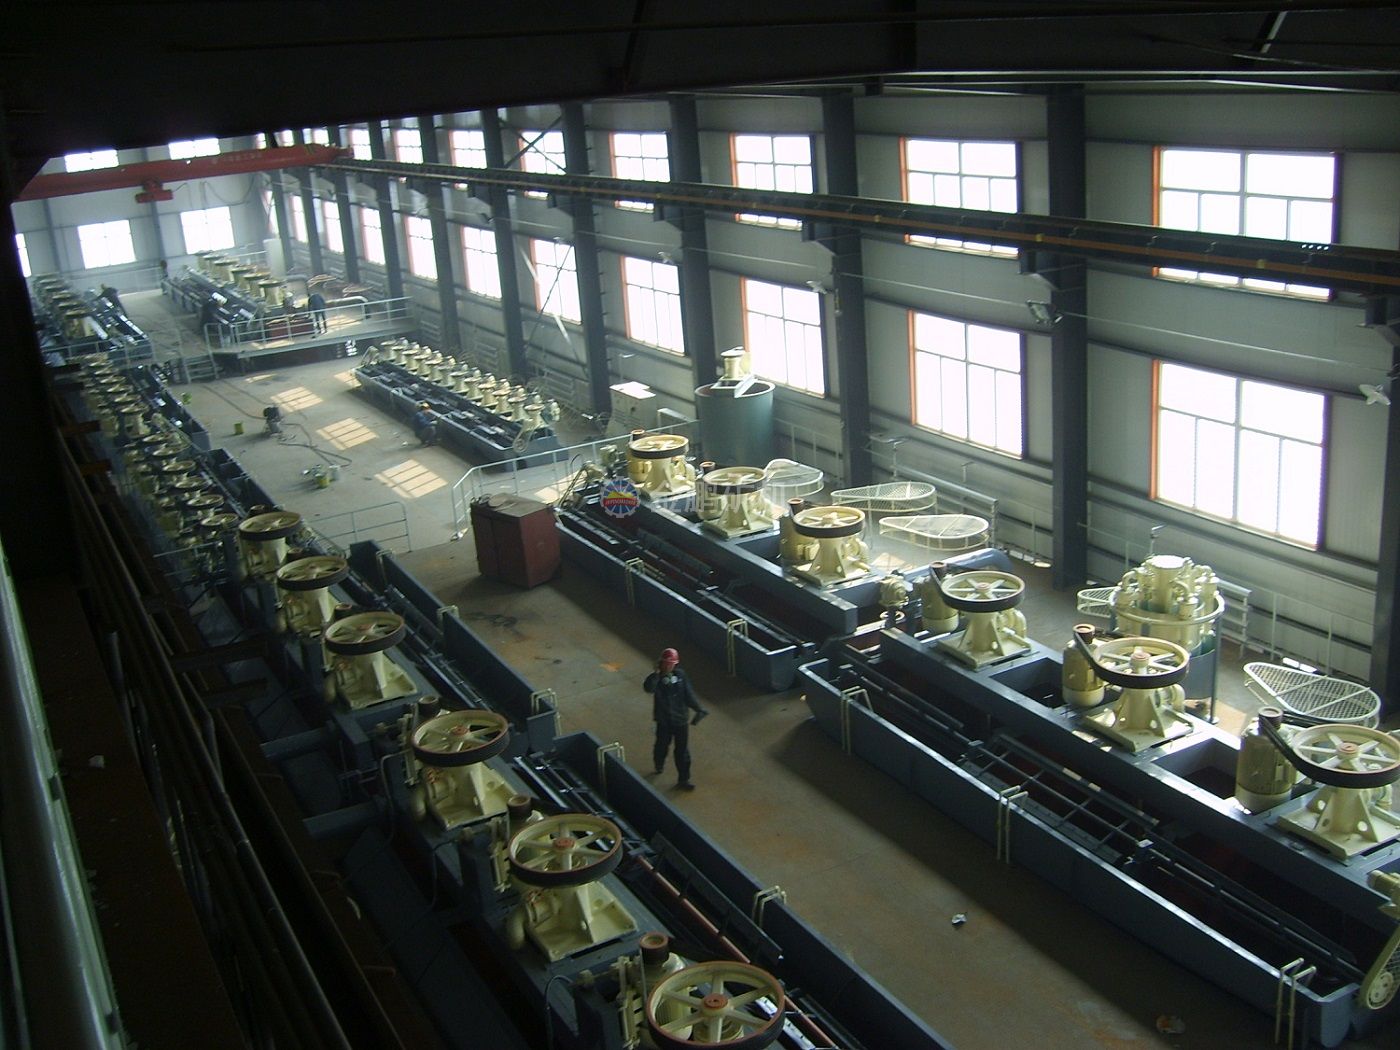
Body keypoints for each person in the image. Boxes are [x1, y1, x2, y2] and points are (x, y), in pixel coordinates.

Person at [644, 648, 708, 789]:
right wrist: (656, 674)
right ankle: (659, 764)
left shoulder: (681, 676)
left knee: (682, 751)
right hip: (664, 721)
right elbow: (649, 688)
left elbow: (688, 694)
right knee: (661, 746)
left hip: (680, 721)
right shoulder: (656, 679)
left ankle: (683, 779)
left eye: (671, 664)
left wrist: (698, 708)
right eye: (666, 663)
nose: (668, 666)